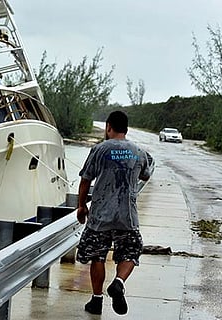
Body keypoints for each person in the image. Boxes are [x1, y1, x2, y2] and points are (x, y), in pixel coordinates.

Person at [76, 110, 151, 315]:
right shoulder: (138, 151)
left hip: (100, 215)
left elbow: (85, 181)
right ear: (126, 129)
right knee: (131, 251)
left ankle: (97, 300)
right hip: (127, 216)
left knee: (97, 256)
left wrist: (81, 206)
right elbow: (146, 175)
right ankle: (118, 282)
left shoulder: (100, 150)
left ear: (108, 126)